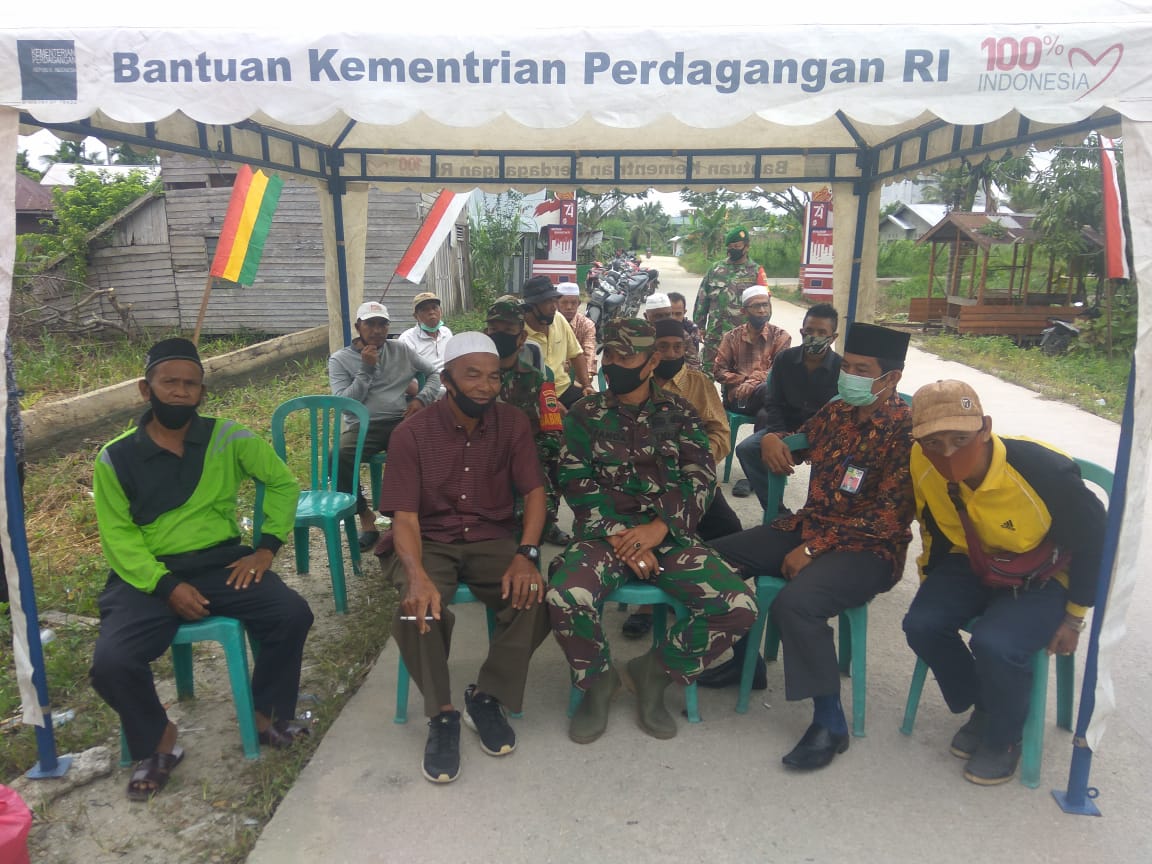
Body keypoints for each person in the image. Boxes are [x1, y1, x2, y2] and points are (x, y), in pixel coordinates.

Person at [89, 338, 314, 801]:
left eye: (190, 384)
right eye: (169, 382)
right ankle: (159, 739)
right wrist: (165, 585)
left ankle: (266, 715)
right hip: (148, 575)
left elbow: (282, 482)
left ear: (202, 393)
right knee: (111, 662)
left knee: (291, 613)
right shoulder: (115, 457)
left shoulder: (228, 437)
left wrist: (266, 548)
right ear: (145, 389)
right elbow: (118, 537)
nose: (180, 391)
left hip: (218, 562)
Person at [710, 323, 914, 769]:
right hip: (813, 526)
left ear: (892, 377)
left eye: (862, 370)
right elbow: (798, 444)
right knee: (712, 561)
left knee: (797, 605)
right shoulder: (838, 411)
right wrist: (770, 438)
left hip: (869, 549)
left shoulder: (906, 430)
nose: (849, 376)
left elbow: (888, 518)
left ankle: (830, 721)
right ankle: (746, 661)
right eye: (848, 367)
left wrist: (814, 549)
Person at [546, 319, 757, 745]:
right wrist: (620, 535)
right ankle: (598, 681)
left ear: (651, 360)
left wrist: (660, 528)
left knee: (738, 606)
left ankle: (655, 672)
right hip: (605, 537)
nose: (614, 364)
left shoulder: (680, 413)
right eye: (610, 355)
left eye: (627, 357)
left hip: (668, 536)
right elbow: (573, 478)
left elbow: (700, 478)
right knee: (565, 597)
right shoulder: (586, 413)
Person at [901, 380, 1106, 785]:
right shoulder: (921, 462)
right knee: (921, 624)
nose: (947, 453)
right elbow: (932, 526)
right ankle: (987, 702)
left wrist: (1074, 617)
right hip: (972, 560)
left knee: (995, 643)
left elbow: (1094, 541)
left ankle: (1005, 737)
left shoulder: (1042, 470)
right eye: (933, 442)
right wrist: (931, 583)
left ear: (985, 428)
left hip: (1044, 572)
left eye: (960, 439)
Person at [375, 333, 552, 784]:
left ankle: (487, 695)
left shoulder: (512, 424)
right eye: (472, 375)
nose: (485, 386)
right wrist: (416, 575)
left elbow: (534, 492)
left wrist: (527, 554)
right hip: (429, 538)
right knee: (418, 609)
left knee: (535, 596)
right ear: (447, 378)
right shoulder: (411, 434)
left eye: (493, 377)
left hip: (491, 537)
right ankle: (442, 714)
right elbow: (405, 517)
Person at [620, 319, 744, 640]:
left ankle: (706, 593)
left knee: (729, 530)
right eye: (663, 347)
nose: (672, 353)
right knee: (648, 530)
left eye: (679, 347)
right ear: (652, 351)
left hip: (693, 479)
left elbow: (720, 432)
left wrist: (694, 462)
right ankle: (647, 606)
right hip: (645, 483)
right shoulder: (635, 381)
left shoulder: (699, 383)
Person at [328, 301, 441, 551]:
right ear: (358, 326)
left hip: (400, 420)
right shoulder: (340, 359)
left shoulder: (400, 350)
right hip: (362, 426)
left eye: (383, 324)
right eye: (370, 324)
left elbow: (433, 374)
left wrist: (422, 399)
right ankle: (365, 516)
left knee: (422, 452)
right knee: (338, 456)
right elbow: (345, 404)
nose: (377, 330)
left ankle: (407, 516)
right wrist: (366, 369)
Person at [483, 295, 571, 546]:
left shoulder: (537, 381)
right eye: (494, 329)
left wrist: (527, 456)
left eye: (508, 330)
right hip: (480, 459)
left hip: (526, 458)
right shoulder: (473, 377)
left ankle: (546, 526)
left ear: (521, 337)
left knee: (534, 514)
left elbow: (552, 432)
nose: (500, 335)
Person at [732, 303, 842, 503]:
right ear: (802, 332)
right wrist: (776, 434)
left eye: (821, 333)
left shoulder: (840, 368)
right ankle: (776, 509)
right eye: (809, 331)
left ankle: (814, 513)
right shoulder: (785, 359)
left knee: (835, 463)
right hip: (785, 428)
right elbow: (773, 402)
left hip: (821, 434)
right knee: (747, 449)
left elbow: (839, 411)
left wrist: (806, 437)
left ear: (833, 337)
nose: (814, 336)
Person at [693, 226, 769, 374]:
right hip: (715, 334)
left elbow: (765, 306)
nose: (733, 249)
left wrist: (761, 331)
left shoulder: (755, 271)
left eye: (737, 246)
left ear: (746, 247)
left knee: (736, 376)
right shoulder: (715, 269)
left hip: (742, 337)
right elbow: (702, 299)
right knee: (707, 374)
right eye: (730, 246)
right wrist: (699, 325)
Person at [713, 286, 791, 417]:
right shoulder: (731, 337)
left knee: (765, 415)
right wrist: (745, 380)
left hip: (767, 397)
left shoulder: (781, 336)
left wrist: (753, 383)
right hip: (738, 397)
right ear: (744, 311)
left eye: (765, 305)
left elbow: (779, 370)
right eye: (756, 306)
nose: (762, 310)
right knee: (768, 391)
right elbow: (719, 371)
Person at [521, 275, 593, 409]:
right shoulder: (518, 332)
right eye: (547, 302)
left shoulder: (558, 319)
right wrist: (551, 404)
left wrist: (587, 385)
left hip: (563, 389)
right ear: (531, 306)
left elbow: (577, 354)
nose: (554, 307)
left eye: (554, 300)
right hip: (533, 396)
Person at [398, 292, 453, 397]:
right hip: (424, 393)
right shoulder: (407, 339)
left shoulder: (447, 333)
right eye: (425, 309)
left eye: (434, 307)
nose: (431, 312)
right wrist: (431, 394)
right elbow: (403, 380)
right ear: (416, 316)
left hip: (451, 389)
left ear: (441, 311)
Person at [556, 282, 597, 383]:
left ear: (579, 303)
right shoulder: (550, 323)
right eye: (564, 302)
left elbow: (589, 351)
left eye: (573, 303)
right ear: (556, 303)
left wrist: (587, 378)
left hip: (578, 376)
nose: (569, 307)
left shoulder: (587, 324)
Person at [667, 291, 703, 371]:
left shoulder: (691, 329)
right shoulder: (656, 327)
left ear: (684, 312)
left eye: (678, 314)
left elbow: (693, 362)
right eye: (670, 314)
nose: (674, 318)